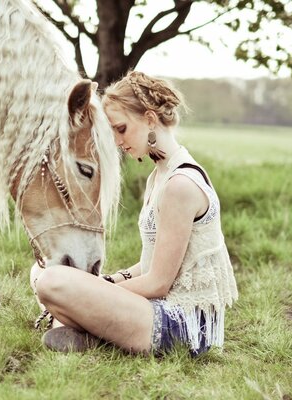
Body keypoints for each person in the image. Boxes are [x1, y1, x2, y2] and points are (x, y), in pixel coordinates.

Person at [31, 70, 238, 356]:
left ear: (150, 119)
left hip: (183, 327)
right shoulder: (161, 176)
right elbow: (153, 262)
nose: (117, 141)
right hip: (158, 311)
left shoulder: (180, 185)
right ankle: (91, 331)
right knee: (42, 272)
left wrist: (94, 292)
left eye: (121, 128)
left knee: (53, 282)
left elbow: (158, 282)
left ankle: (81, 326)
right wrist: (109, 282)